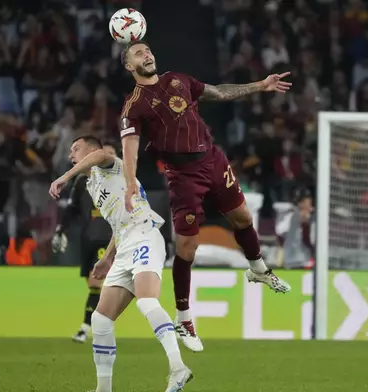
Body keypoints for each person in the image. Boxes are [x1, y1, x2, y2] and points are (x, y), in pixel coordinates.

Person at [119, 40, 292, 352]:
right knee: (187, 247)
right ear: (130, 67)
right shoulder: (135, 104)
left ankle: (258, 270)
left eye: (147, 50)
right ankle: (183, 318)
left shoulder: (178, 80)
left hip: (213, 159)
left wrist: (261, 85)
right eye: (137, 53)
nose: (146, 54)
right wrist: (130, 181)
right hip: (183, 176)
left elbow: (220, 92)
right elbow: (129, 145)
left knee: (243, 217)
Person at [49, 136, 192, 392]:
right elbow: (118, 223)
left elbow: (98, 156)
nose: (71, 155)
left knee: (147, 300)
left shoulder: (111, 164)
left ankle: (178, 368)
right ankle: (103, 389)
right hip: (124, 244)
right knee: (101, 320)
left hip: (144, 234)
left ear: (92, 150)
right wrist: (107, 258)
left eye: (76, 149)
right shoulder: (93, 184)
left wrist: (64, 177)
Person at [52, 143, 117, 344]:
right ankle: (98, 324)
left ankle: (88, 327)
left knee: (96, 283)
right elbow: (71, 209)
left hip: (107, 239)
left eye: (111, 154)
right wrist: (60, 230)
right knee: (93, 287)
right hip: (87, 238)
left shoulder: (119, 181)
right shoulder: (84, 181)